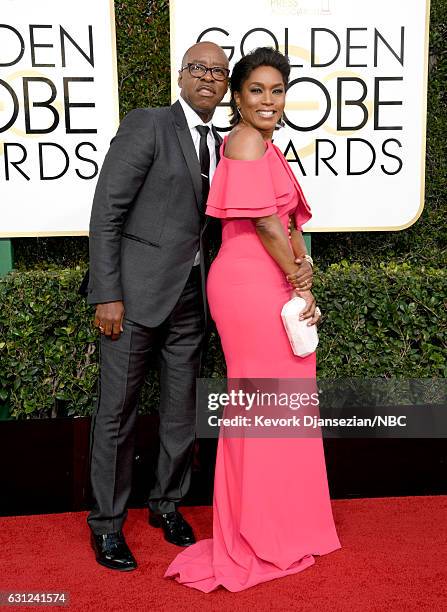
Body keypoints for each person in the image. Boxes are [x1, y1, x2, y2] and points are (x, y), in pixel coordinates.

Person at [165, 47, 341, 592]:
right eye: (256, 91)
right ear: (237, 99)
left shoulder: (265, 144)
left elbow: (286, 222)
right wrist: (299, 279)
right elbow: (265, 223)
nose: (268, 100)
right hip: (248, 284)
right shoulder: (243, 140)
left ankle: (283, 524)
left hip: (273, 277)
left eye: (277, 90)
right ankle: (256, 533)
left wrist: (300, 271)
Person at [86, 41, 230, 571]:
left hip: (194, 299)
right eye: (199, 68)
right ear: (181, 75)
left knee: (180, 412)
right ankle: (105, 525)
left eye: (218, 71)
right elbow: (107, 213)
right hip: (134, 297)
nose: (209, 78)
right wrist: (107, 293)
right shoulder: (147, 125)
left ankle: (166, 504)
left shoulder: (224, 142)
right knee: (116, 415)